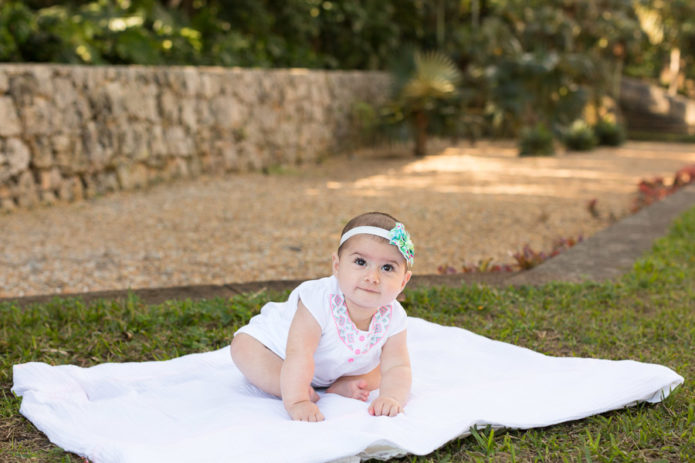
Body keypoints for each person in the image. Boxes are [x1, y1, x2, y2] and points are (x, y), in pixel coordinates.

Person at [230, 211, 414, 422]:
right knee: (243, 347)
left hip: (339, 366)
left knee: (380, 372)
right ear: (337, 266)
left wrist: (391, 397)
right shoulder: (319, 299)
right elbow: (299, 352)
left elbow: (398, 365)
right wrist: (297, 401)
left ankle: (338, 386)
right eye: (361, 262)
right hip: (281, 355)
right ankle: (294, 388)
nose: (372, 277)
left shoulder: (394, 315)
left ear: (403, 281)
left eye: (387, 267)